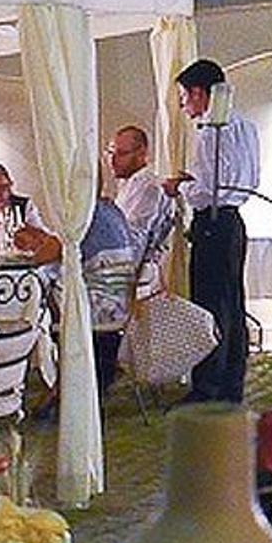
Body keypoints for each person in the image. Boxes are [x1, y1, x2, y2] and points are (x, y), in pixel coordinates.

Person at [164, 59, 261, 402]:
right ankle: (232, 381)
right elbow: (244, 179)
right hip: (234, 222)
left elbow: (208, 191)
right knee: (233, 303)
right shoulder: (246, 126)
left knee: (210, 307)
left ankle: (208, 387)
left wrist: (180, 187)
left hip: (213, 224)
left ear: (198, 93)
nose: (182, 106)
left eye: (183, 97)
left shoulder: (210, 131)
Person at [78, 124, 179, 388]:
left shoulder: (148, 187)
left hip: (126, 277)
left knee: (60, 292)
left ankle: (86, 371)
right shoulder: (132, 185)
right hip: (121, 273)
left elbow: (128, 244)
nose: (113, 160)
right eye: (111, 152)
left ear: (142, 153)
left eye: (121, 154)